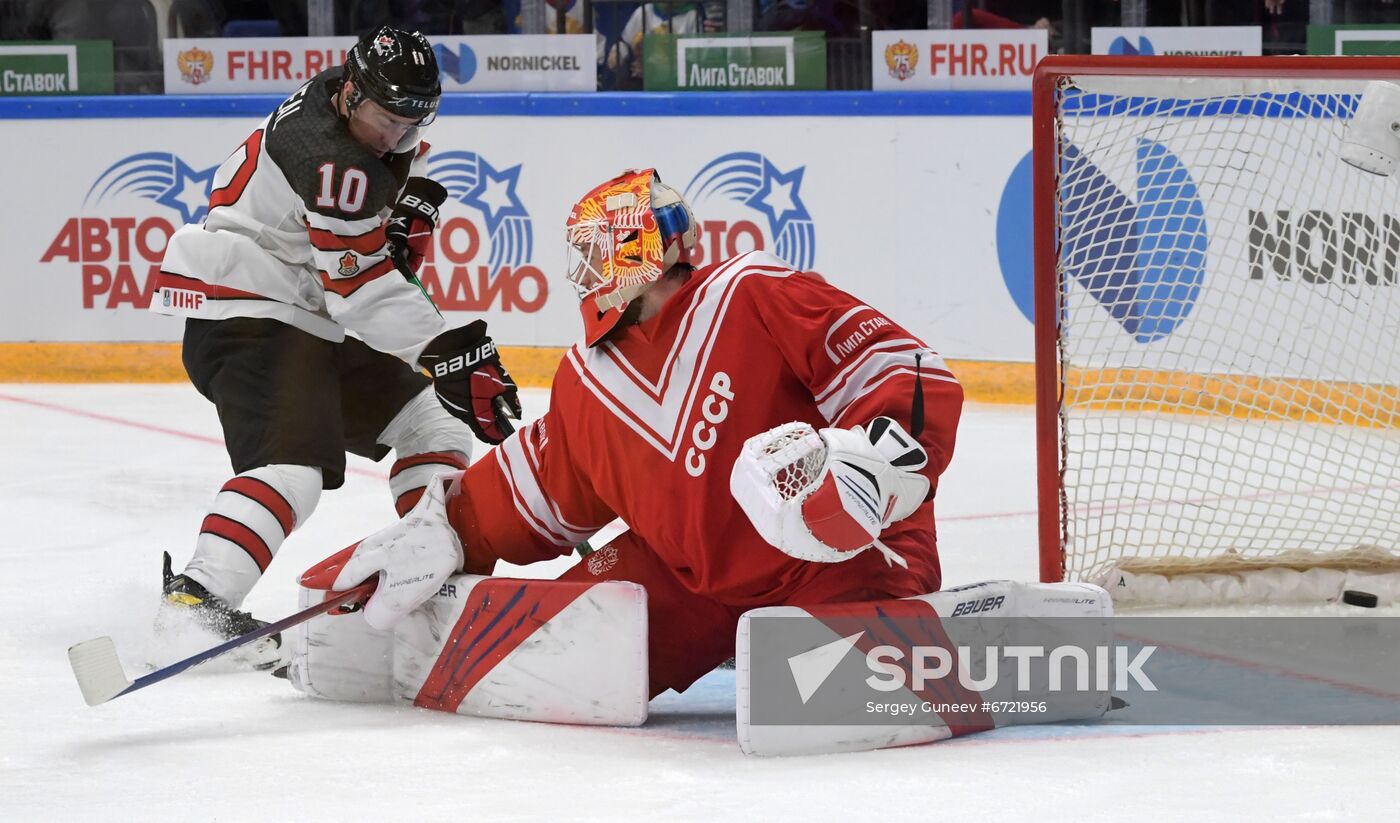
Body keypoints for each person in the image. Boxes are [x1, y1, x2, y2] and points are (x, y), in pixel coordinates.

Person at [311, 168, 963, 696]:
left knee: (827, 677)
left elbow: (903, 369)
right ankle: (366, 640)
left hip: (834, 555)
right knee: (536, 649)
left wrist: (871, 459)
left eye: (597, 250)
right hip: (694, 584)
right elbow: (539, 486)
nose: (589, 271)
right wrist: (447, 527)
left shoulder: (750, 291)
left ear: (638, 248)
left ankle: (901, 637)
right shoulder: (585, 381)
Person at [149, 26, 521, 668]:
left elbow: (381, 196)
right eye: (386, 120)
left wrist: (408, 198)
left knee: (429, 420)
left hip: (302, 309)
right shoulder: (332, 161)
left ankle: (430, 579)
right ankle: (193, 609)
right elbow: (362, 288)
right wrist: (450, 351)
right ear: (351, 94)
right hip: (247, 310)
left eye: (412, 123)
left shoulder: (349, 103)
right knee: (292, 469)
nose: (396, 137)